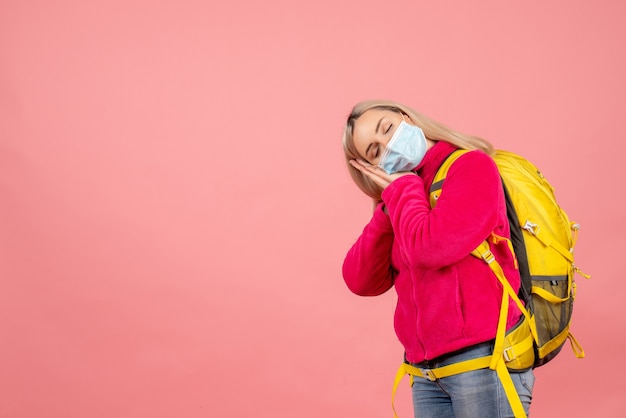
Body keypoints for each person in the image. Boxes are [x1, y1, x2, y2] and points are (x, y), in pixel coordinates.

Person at [341, 99, 534, 417]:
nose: (388, 145)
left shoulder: (470, 166)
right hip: (426, 374)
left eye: (387, 129)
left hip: (484, 362)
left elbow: (430, 248)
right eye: (375, 151)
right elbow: (360, 279)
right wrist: (390, 201)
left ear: (405, 117)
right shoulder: (404, 195)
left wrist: (403, 191)